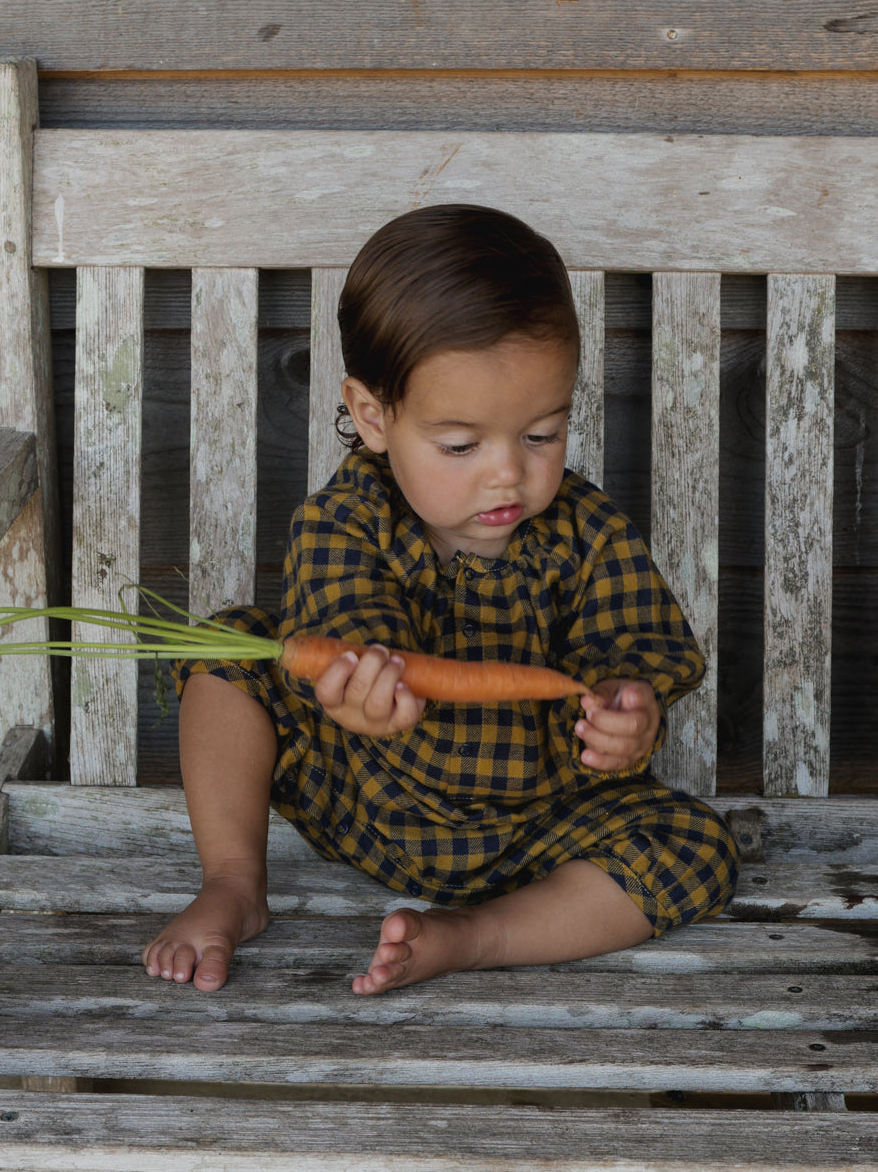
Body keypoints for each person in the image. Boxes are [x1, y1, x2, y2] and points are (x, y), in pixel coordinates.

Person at [143, 203, 738, 996]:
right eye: (461, 445)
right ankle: (231, 882)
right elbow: (343, 624)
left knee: (697, 844)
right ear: (372, 416)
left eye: (541, 434)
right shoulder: (347, 518)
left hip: (541, 827)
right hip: (359, 792)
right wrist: (360, 689)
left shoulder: (587, 531)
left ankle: (477, 934)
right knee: (227, 650)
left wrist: (627, 715)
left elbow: (630, 652)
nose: (506, 473)